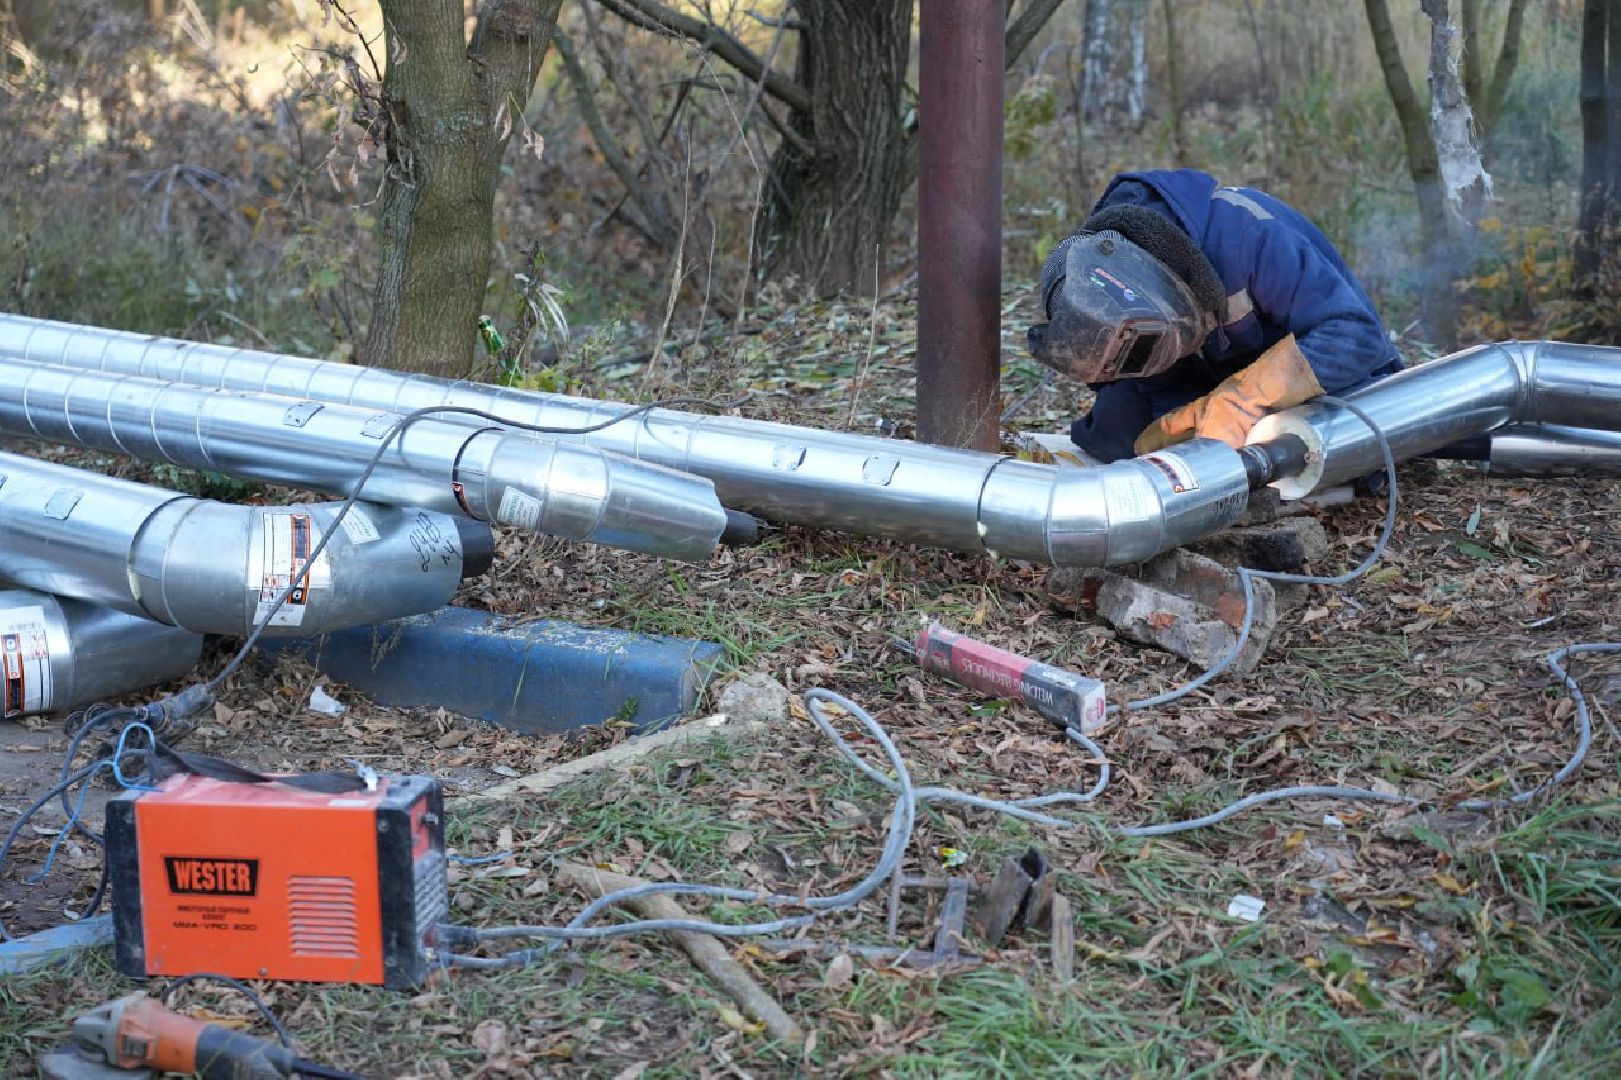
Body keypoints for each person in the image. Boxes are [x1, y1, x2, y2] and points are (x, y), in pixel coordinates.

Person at [1026, 168, 1402, 463]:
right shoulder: (1124, 291)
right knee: (1116, 434)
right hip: (1207, 375)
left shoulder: (1249, 238)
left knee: (1299, 441)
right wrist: (1183, 420)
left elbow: (1355, 336)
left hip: (1320, 373)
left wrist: (1243, 398)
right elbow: (1151, 383)